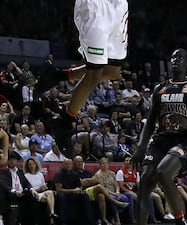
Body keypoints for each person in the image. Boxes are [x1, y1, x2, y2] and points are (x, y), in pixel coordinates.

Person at [131, 49, 187, 225]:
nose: (176, 60)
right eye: (173, 57)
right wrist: (140, 147)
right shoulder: (160, 89)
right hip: (160, 141)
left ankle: (179, 219)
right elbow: (150, 122)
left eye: (180, 57)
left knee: (162, 172)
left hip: (185, 142)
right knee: (144, 182)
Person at [50, 0, 128, 150]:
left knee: (113, 71)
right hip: (96, 7)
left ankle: (59, 76)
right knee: (94, 74)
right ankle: (64, 123)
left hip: (118, 7)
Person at [0, 150, 39, 225]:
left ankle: (33, 222)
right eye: (10, 160)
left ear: (17, 161)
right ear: (7, 160)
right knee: (3, 195)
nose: (12, 161)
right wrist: (14, 191)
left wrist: (32, 189)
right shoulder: (3, 171)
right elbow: (4, 184)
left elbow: (26, 183)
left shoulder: (20, 171)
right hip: (10, 195)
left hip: (21, 194)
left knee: (32, 197)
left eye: (14, 159)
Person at [23, 157, 58, 224]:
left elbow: (44, 186)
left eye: (33, 164)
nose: (31, 166)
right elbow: (27, 189)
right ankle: (51, 218)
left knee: (50, 192)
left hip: (42, 194)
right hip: (33, 194)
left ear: (36, 164)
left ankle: (52, 212)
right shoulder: (25, 176)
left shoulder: (40, 174)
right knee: (48, 199)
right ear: (27, 166)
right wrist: (39, 189)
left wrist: (44, 187)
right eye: (29, 164)